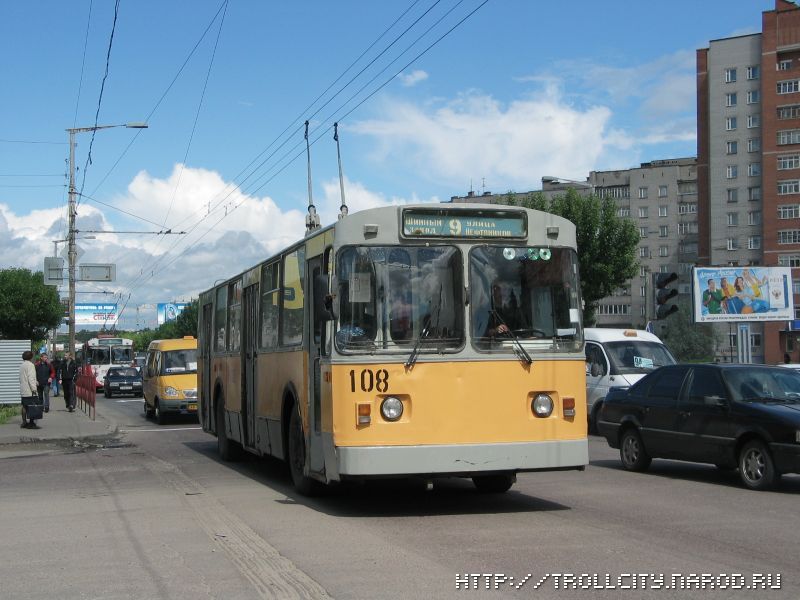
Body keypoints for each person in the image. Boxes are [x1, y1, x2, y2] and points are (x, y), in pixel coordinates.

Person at [19, 350, 40, 429]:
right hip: (30, 390)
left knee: (24, 406)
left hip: (23, 389)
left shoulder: (22, 365)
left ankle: (24, 422)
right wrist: (34, 389)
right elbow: (30, 378)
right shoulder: (30, 365)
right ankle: (31, 423)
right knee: (32, 406)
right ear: (31, 357)